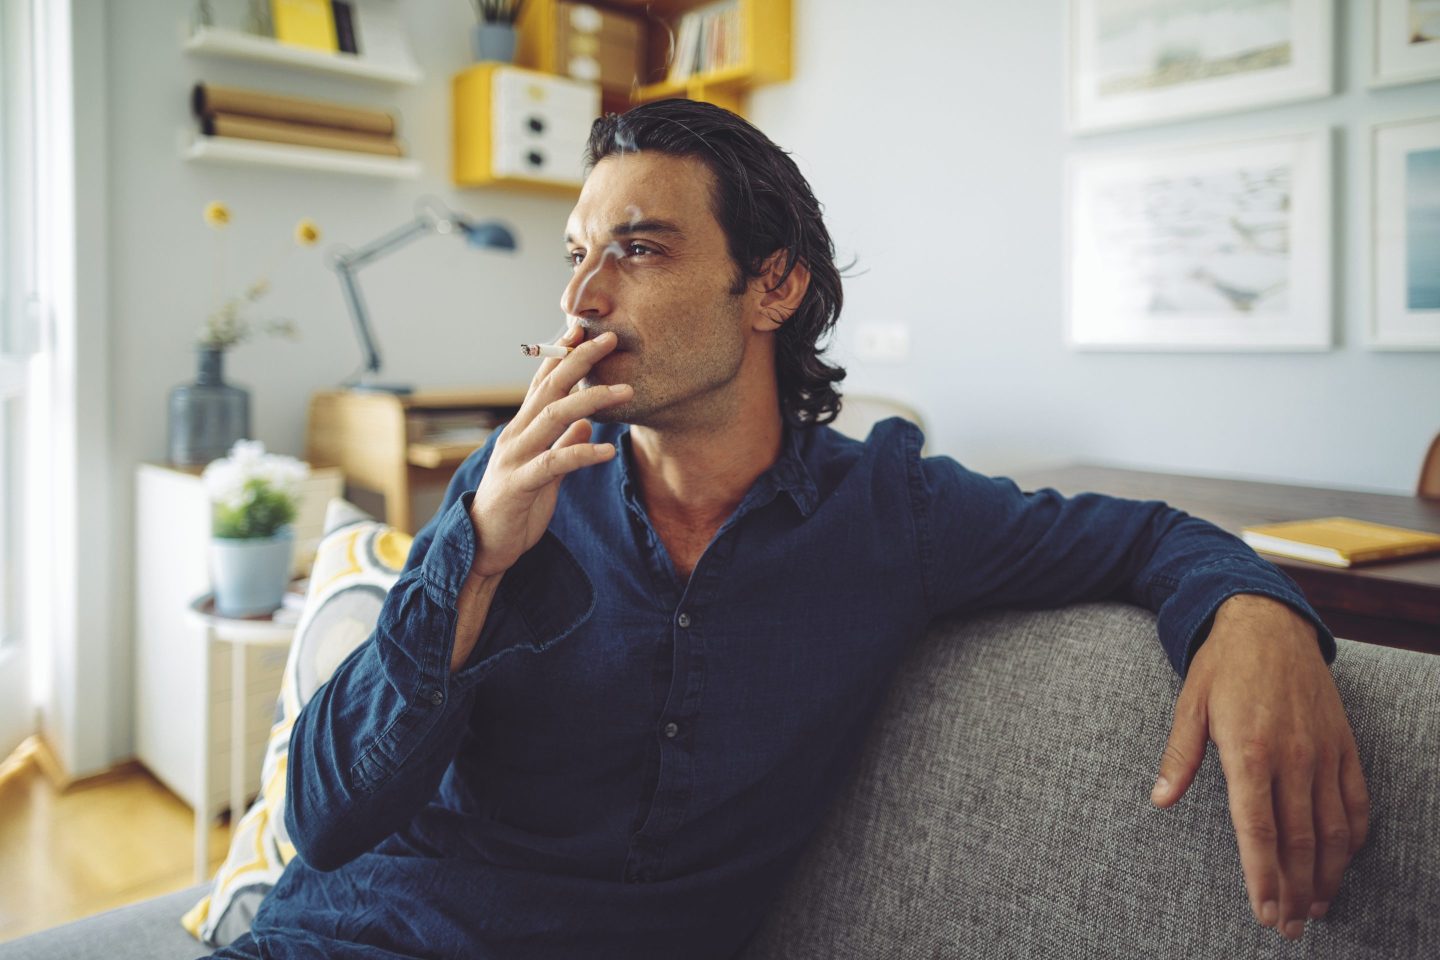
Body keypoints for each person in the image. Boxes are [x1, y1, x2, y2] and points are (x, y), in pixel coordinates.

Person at [211, 99, 1368, 959]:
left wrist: (1254, 609)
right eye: (578, 255)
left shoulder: (895, 511)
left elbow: (1145, 537)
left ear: (772, 287)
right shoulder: (509, 496)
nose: (580, 300)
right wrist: (469, 560)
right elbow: (322, 818)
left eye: (638, 249)